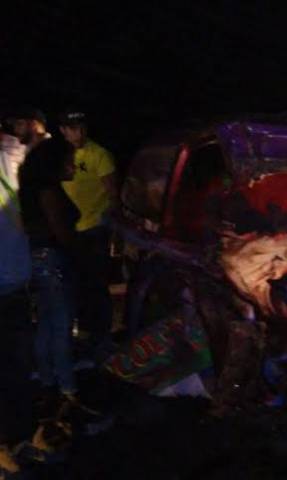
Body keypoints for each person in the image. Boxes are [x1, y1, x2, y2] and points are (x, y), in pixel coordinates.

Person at [18, 138, 79, 399]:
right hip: (53, 259)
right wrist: (76, 251)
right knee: (62, 324)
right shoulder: (48, 191)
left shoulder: (31, 190)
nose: (73, 167)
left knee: (46, 321)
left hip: (37, 259)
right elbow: (60, 230)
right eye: (69, 162)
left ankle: (46, 379)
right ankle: (67, 385)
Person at [58, 110, 116, 361]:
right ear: (63, 130)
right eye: (72, 128)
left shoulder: (99, 154)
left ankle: (102, 338)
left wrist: (110, 225)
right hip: (68, 231)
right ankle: (82, 335)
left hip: (94, 229)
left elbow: (113, 194)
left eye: (81, 127)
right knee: (75, 285)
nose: (78, 132)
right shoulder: (60, 155)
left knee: (97, 285)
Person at [0, 127, 33, 475]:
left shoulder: (12, 156)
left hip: (13, 283)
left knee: (17, 369)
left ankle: (19, 439)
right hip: (11, 280)